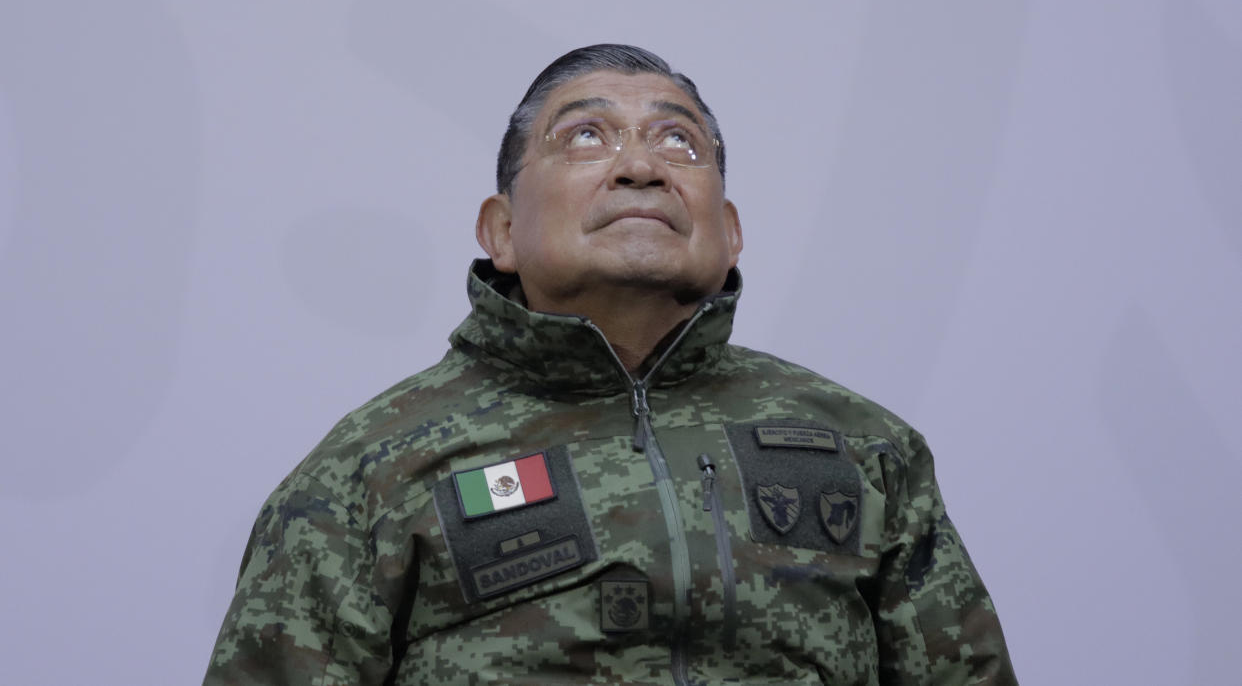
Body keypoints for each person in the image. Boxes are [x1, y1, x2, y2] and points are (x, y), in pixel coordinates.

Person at [204, 44, 1017, 685]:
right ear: (501, 231)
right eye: (586, 136)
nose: (641, 166)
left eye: (679, 141)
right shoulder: (369, 473)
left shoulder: (864, 449)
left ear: (729, 230)